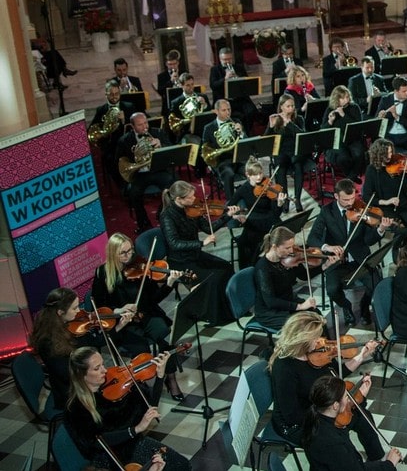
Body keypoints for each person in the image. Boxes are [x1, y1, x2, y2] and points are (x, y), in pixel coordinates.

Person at [268, 311, 382, 455]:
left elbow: (334, 373)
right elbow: (292, 415)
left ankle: (378, 460)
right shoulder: (284, 368)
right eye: (315, 338)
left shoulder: (317, 354)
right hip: (298, 422)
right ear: (302, 340)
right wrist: (332, 413)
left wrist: (361, 356)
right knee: (338, 437)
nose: (319, 341)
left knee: (362, 415)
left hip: (322, 407)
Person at [91, 233, 186, 400]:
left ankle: (170, 379)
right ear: (113, 254)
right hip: (123, 324)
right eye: (124, 253)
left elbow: (154, 298)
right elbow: (100, 308)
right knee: (141, 350)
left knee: (163, 337)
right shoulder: (102, 273)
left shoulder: (140, 267)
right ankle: (142, 390)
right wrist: (119, 310)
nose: (130, 256)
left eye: (131, 251)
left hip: (146, 315)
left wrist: (169, 284)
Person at [65, 346, 189, 470]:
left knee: (182, 465)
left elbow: (150, 408)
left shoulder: (114, 388)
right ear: (82, 375)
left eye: (103, 364)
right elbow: (97, 441)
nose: (105, 371)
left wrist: (160, 376)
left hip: (132, 442)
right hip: (110, 456)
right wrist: (136, 429)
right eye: (97, 368)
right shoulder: (76, 407)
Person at [306, 179, 393, 327]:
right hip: (337, 261)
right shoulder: (327, 212)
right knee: (332, 290)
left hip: (360, 258)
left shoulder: (361, 209)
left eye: (353, 198)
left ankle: (364, 307)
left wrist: (381, 230)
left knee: (376, 285)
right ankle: (346, 307)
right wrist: (328, 247)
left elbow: (368, 240)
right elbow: (312, 238)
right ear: (336, 196)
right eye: (346, 199)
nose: (350, 203)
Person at [159, 180, 237, 325]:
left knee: (226, 267)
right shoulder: (167, 216)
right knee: (213, 278)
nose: (194, 199)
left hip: (195, 255)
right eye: (190, 197)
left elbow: (208, 228)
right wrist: (202, 243)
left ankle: (230, 308)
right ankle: (214, 316)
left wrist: (227, 216)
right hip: (180, 261)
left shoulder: (193, 209)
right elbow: (174, 244)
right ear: (178, 199)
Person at [302, 375, 402, 471]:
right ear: (335, 405)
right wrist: (389, 464)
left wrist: (361, 397)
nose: (349, 398)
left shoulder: (313, 417)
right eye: (346, 396)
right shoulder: (333, 442)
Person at [29, 288, 106, 411]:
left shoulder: (72, 325)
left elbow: (93, 344)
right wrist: (93, 370)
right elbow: (66, 373)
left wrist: (118, 326)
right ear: (60, 312)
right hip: (71, 390)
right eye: (74, 308)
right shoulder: (47, 341)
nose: (79, 311)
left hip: (85, 376)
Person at [254, 226, 337, 329]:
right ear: (275, 247)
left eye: (292, 246)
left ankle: (327, 344)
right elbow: (271, 301)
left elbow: (304, 275)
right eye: (287, 248)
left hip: (288, 300)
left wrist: (325, 266)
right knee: (304, 325)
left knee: (316, 315)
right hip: (270, 311)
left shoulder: (288, 259)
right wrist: (300, 307)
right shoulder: (262, 268)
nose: (291, 251)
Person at [362, 139, 407, 254]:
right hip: (387, 209)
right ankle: (397, 253)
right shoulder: (371, 170)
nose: (391, 156)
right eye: (387, 153)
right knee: (403, 231)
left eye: (391, 152)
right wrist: (386, 202)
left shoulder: (400, 166)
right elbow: (366, 196)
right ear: (379, 154)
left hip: (405, 204)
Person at [115, 112, 172, 233]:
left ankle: (162, 213)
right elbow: (119, 162)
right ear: (132, 126)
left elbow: (171, 149)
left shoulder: (158, 133)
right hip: (139, 174)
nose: (145, 127)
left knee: (173, 184)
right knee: (134, 193)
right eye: (140, 125)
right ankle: (143, 224)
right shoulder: (124, 140)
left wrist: (161, 145)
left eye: (146, 123)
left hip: (157, 170)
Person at [229, 156, 287, 269]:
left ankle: (280, 267)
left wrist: (279, 204)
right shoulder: (243, 189)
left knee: (282, 237)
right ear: (248, 175)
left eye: (260, 173)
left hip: (269, 220)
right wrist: (236, 215)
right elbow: (230, 205)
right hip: (253, 222)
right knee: (248, 243)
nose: (260, 177)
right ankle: (254, 268)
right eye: (255, 174)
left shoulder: (268, 185)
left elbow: (275, 214)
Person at [265, 93, 309, 212]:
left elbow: (302, 135)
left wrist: (289, 123)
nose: (291, 108)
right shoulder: (275, 120)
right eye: (288, 106)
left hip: (295, 151)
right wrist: (271, 126)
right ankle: (284, 199)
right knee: (281, 169)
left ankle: (297, 198)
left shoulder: (298, 119)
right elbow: (266, 140)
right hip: (281, 152)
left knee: (298, 166)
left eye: (292, 106)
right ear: (281, 107)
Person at [90, 79, 136, 182]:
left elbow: (135, 126)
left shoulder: (129, 106)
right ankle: (122, 185)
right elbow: (92, 129)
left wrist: (124, 120)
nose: (114, 96)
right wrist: (102, 133)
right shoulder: (101, 110)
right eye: (111, 94)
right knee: (110, 160)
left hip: (127, 143)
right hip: (111, 145)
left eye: (116, 94)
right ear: (106, 94)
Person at [201, 98, 244, 200]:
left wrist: (241, 133)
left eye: (229, 109)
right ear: (216, 111)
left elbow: (245, 142)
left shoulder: (236, 122)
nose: (228, 113)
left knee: (253, 171)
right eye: (224, 110)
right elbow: (205, 149)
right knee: (229, 174)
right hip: (221, 161)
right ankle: (231, 204)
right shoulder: (209, 128)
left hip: (237, 159)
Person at [322, 85, 365, 180]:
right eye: (342, 98)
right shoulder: (330, 109)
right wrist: (330, 122)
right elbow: (323, 129)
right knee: (343, 159)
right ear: (336, 99)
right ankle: (351, 176)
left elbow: (357, 126)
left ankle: (351, 176)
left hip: (352, 138)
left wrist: (343, 115)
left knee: (358, 153)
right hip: (337, 141)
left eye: (347, 97)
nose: (346, 100)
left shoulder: (354, 107)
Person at [376, 76, 407, 152]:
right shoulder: (385, 99)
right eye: (404, 91)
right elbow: (377, 120)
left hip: (404, 135)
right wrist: (380, 117)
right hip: (389, 135)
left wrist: (396, 116)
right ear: (396, 91)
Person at [169, 73, 210, 145]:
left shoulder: (202, 96)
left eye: (192, 84)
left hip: (203, 129)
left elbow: (210, 113)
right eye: (188, 85)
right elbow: (176, 123)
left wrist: (204, 105)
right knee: (197, 143)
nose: (191, 87)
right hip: (187, 132)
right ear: (181, 86)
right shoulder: (176, 103)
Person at [155, 50, 183, 118]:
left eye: (174, 64)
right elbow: (161, 91)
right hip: (169, 105)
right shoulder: (162, 76)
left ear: (178, 63)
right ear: (166, 64)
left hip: (182, 103)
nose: (173, 66)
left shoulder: (184, 72)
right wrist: (170, 81)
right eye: (170, 64)